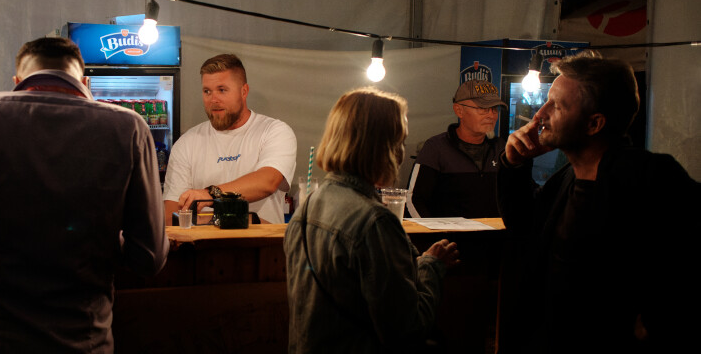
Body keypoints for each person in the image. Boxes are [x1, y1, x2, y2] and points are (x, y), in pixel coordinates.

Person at [0, 37, 168, 353]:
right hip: (84, 342)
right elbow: (148, 258)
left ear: (17, 81)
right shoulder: (129, 127)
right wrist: (101, 239)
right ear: (85, 81)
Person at [497, 52, 699, 353]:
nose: (541, 113)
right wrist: (513, 164)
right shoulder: (565, 179)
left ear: (594, 123)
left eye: (558, 106)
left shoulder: (652, 176)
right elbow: (523, 226)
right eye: (547, 101)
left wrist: (658, 322)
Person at [284, 87, 460, 353]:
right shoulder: (374, 222)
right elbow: (407, 331)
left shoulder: (307, 207)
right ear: (382, 148)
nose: (401, 153)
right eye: (400, 141)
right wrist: (430, 268)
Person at [162, 54, 297, 224]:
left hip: (261, 248)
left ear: (244, 91)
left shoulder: (274, 131)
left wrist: (210, 194)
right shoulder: (187, 142)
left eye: (222, 90)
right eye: (207, 91)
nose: (213, 100)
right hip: (204, 249)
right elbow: (171, 213)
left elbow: (267, 181)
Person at [411, 79, 506, 218]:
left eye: (494, 109)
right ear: (459, 110)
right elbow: (413, 200)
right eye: (483, 109)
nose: (491, 115)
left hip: (496, 239)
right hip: (449, 239)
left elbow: (521, 195)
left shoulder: (501, 148)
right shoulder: (436, 148)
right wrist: (434, 237)